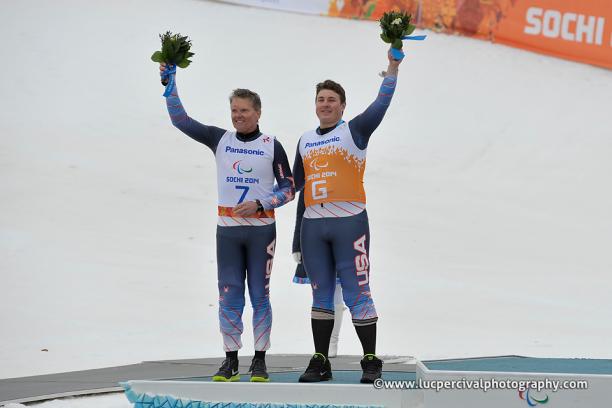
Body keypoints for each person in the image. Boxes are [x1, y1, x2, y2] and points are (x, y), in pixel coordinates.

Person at [158, 62, 295, 382]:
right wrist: (169, 84)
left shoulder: (271, 145)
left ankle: (259, 360)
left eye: (244, 110)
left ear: (258, 112)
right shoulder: (219, 139)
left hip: (261, 232)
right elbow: (181, 120)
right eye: (234, 110)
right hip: (229, 232)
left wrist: (262, 203)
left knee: (259, 294)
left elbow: (289, 188)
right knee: (229, 293)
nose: (238, 116)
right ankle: (230, 359)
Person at [292, 50, 403, 383]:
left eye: (331, 100)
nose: (325, 104)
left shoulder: (354, 131)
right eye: (320, 99)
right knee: (321, 294)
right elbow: (296, 186)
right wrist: (262, 204)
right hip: (314, 226)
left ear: (342, 106)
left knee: (357, 291)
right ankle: (320, 361)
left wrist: (392, 69)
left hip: (349, 222)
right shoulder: (305, 140)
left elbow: (380, 106)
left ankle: (371, 361)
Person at [292, 191, 346, 358]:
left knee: (337, 289)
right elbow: (301, 211)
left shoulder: (341, 176)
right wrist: (297, 244)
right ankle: (322, 342)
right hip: (313, 237)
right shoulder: (311, 175)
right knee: (320, 290)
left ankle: (332, 341)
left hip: (341, 235)